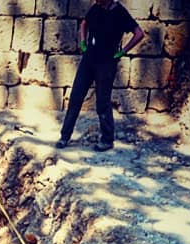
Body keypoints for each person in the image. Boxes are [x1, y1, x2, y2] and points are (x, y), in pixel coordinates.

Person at [56, 0, 144, 152]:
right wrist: (83, 42)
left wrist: (123, 51)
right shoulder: (96, 8)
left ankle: (107, 140)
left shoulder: (120, 13)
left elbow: (139, 33)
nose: (96, 1)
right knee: (76, 97)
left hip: (106, 63)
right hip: (88, 60)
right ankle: (65, 136)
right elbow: (84, 23)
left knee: (102, 102)